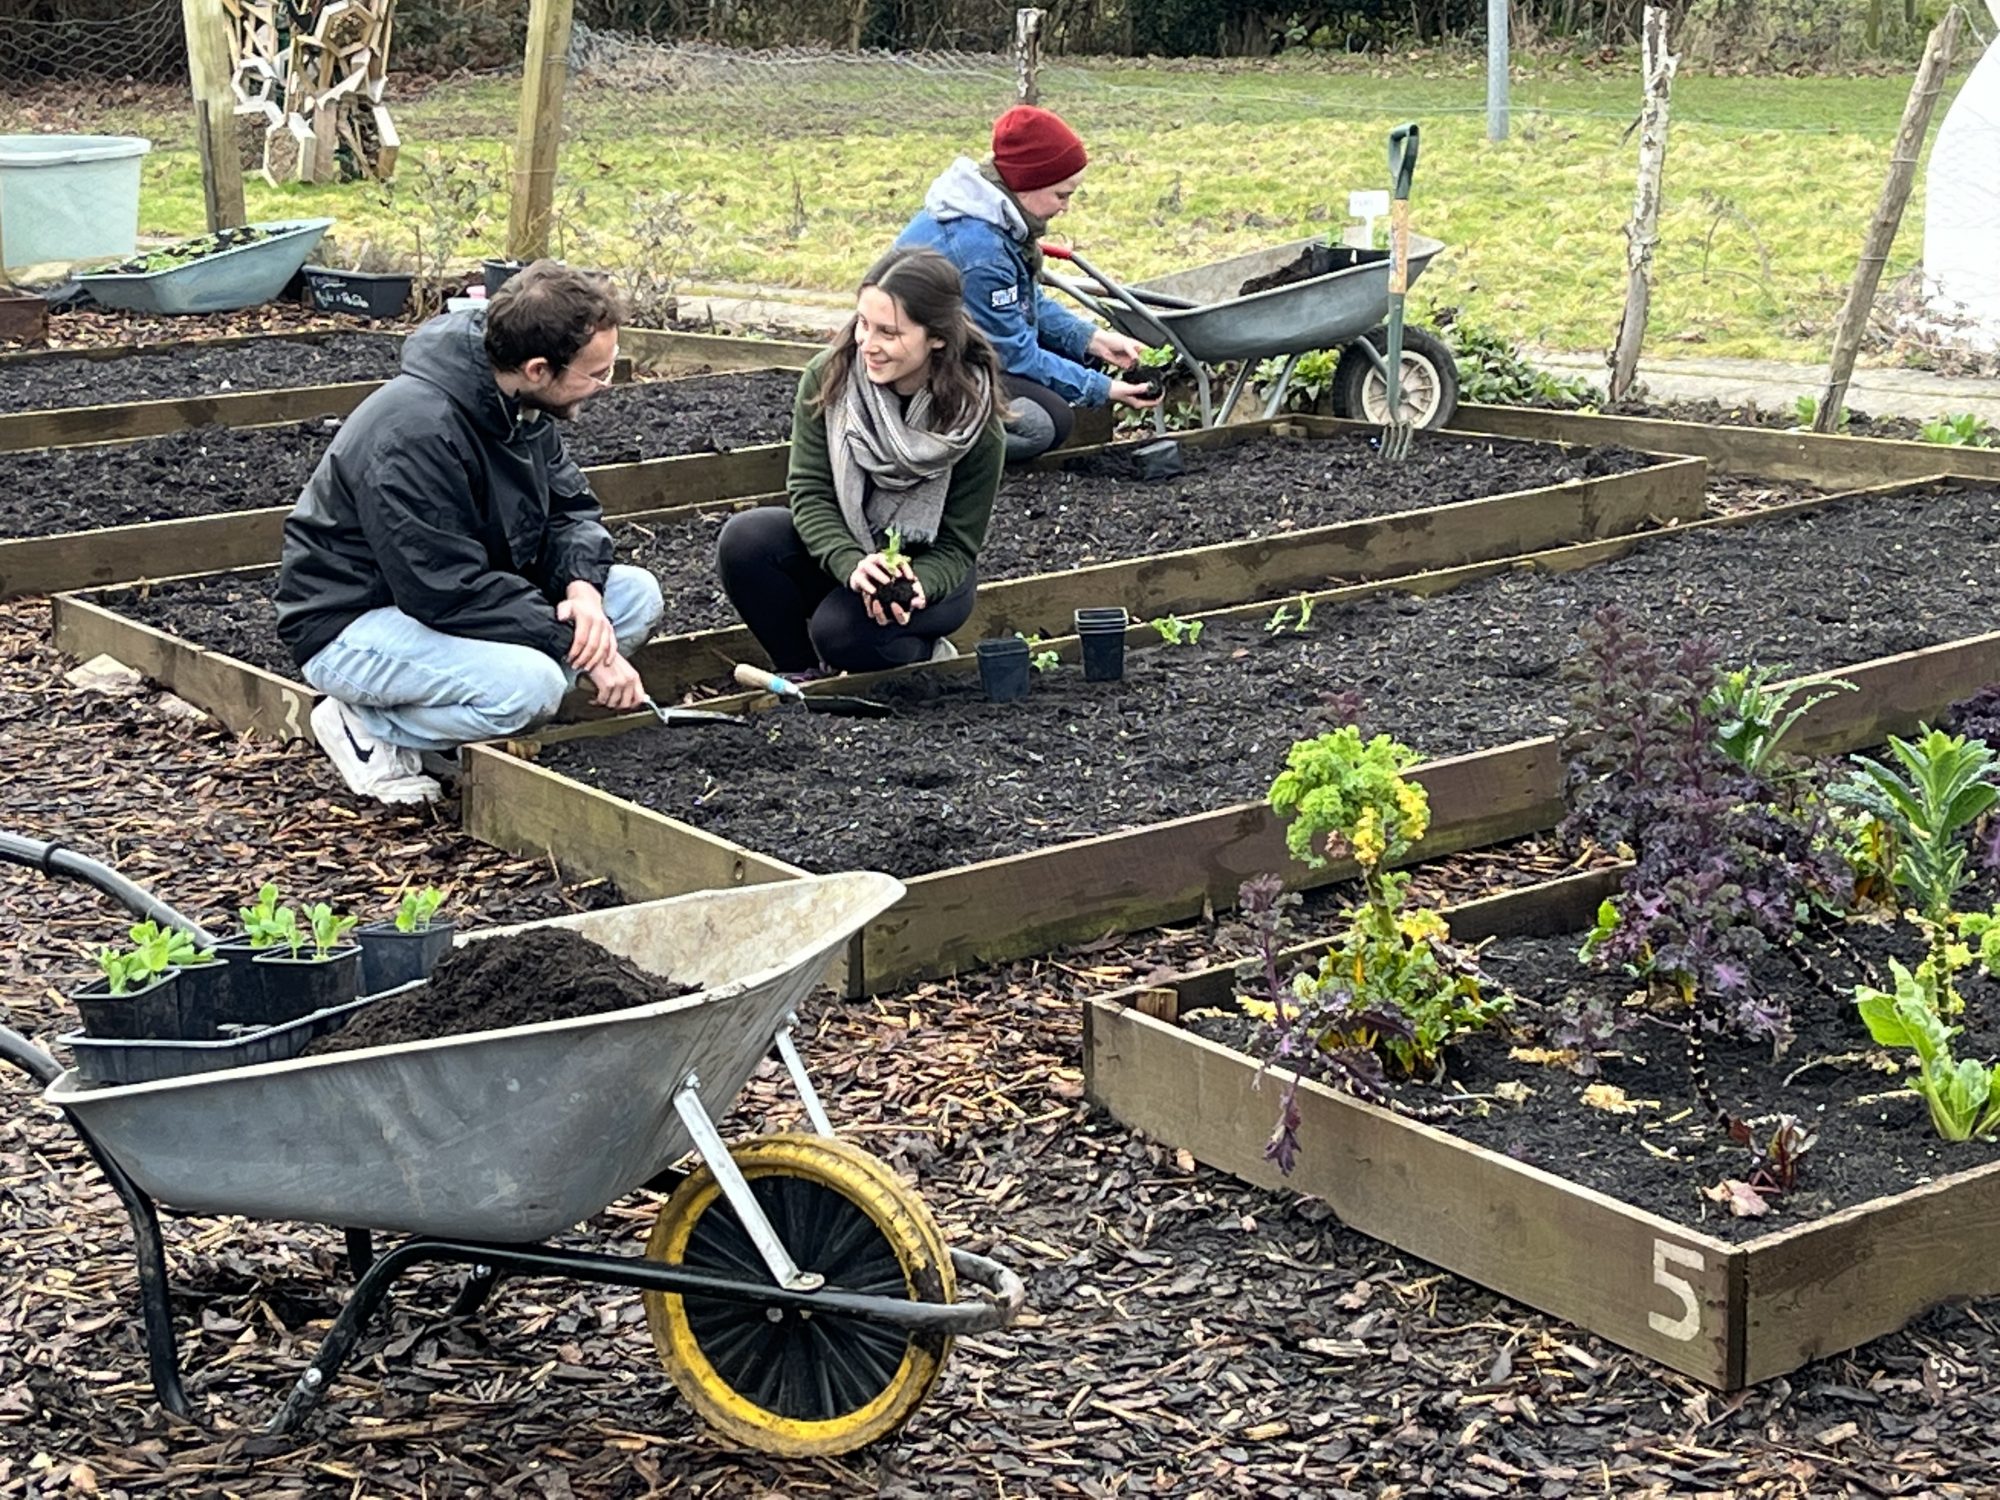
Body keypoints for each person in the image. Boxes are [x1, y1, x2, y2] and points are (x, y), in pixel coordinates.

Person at [274, 260, 664, 806]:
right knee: (534, 685)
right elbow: (444, 587)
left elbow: (571, 508)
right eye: (595, 373)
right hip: (353, 619)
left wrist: (581, 590)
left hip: (461, 600)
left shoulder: (518, 409)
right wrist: (586, 651)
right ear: (537, 369)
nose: (602, 386)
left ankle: (455, 721)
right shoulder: (414, 434)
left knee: (633, 596)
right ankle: (364, 725)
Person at [716, 246, 1005, 676]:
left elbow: (958, 545)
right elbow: (811, 492)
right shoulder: (830, 377)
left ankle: (928, 656)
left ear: (937, 337)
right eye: (863, 325)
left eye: (889, 333)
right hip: (848, 552)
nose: (868, 345)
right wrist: (852, 564)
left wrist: (913, 584)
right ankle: (803, 674)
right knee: (746, 539)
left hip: (927, 570)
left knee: (841, 635)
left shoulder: (973, 420)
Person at [896, 103, 1160, 463]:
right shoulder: (980, 251)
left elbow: (1023, 301)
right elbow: (1012, 353)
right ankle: (927, 444)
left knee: (1080, 357)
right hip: (913, 371)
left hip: (952, 349)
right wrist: (1105, 390)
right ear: (1026, 184)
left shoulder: (994, 214)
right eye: (1061, 195)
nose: (1065, 207)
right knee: (1045, 424)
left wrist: (1092, 339)